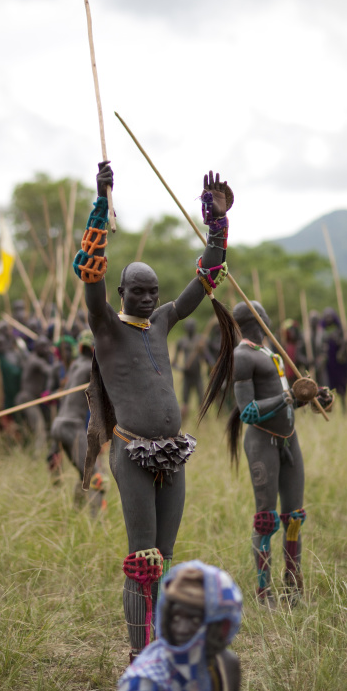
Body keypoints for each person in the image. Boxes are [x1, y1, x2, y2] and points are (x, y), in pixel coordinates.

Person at [73, 163, 236, 659]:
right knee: (141, 560)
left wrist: (217, 226)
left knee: (163, 558)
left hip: (174, 453)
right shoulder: (105, 326)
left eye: (152, 290)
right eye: (137, 290)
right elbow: (91, 273)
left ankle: (159, 647)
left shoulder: (163, 321)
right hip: (132, 453)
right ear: (121, 294)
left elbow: (206, 279)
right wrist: (102, 203)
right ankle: (140, 656)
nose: (147, 297)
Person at [228, 301, 333, 608]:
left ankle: (293, 588)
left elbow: (284, 402)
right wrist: (288, 395)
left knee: (294, 517)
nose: (270, 317)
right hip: (263, 443)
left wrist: (310, 396)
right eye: (265, 313)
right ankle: (264, 594)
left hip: (290, 441)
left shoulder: (269, 354)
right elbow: (247, 412)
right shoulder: (242, 356)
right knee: (266, 519)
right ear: (258, 319)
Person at [116, 560, 243, 691]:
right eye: (176, 617)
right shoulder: (145, 682)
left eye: (194, 620)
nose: (181, 629)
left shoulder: (225, 665)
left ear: (223, 626)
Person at [48, 329, 106, 507]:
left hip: (58, 424)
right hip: (71, 427)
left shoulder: (74, 366)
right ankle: (97, 526)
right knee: (96, 477)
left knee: (84, 474)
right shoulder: (91, 368)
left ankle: (76, 514)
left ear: (80, 347)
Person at [172, 319, 206, 420]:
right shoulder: (182, 342)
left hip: (197, 375)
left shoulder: (200, 341)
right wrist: (181, 369)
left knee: (201, 399)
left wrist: (202, 351)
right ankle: (184, 421)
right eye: (188, 327)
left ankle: (203, 421)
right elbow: (174, 363)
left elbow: (206, 357)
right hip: (187, 376)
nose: (190, 329)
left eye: (192, 327)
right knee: (185, 401)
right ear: (185, 329)